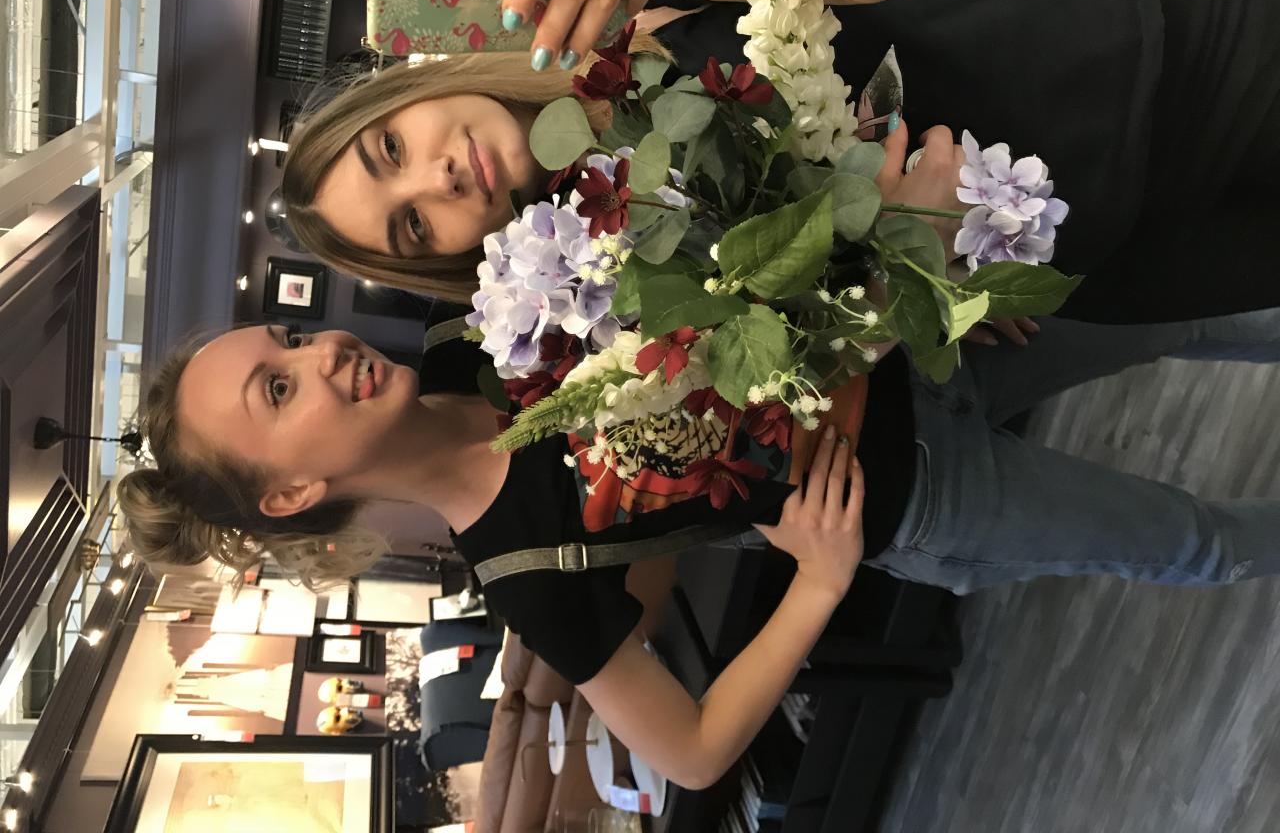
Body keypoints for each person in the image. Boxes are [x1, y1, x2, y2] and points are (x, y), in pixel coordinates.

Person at [118, 306, 1280, 790]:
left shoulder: (474, 335)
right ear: (293, 494)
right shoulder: (524, 575)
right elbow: (688, 752)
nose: (319, 352)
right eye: (279, 388)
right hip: (919, 497)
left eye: (287, 338)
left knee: (1181, 313)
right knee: (1192, 542)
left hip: (914, 341)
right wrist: (817, 582)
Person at [278, 0, 1280, 328]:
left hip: (1140, 66)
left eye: (390, 151)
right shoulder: (621, 303)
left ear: (404, 95)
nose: (437, 180)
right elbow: (838, 336)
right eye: (414, 226)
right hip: (1096, 257)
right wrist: (909, 271)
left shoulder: (626, 6)